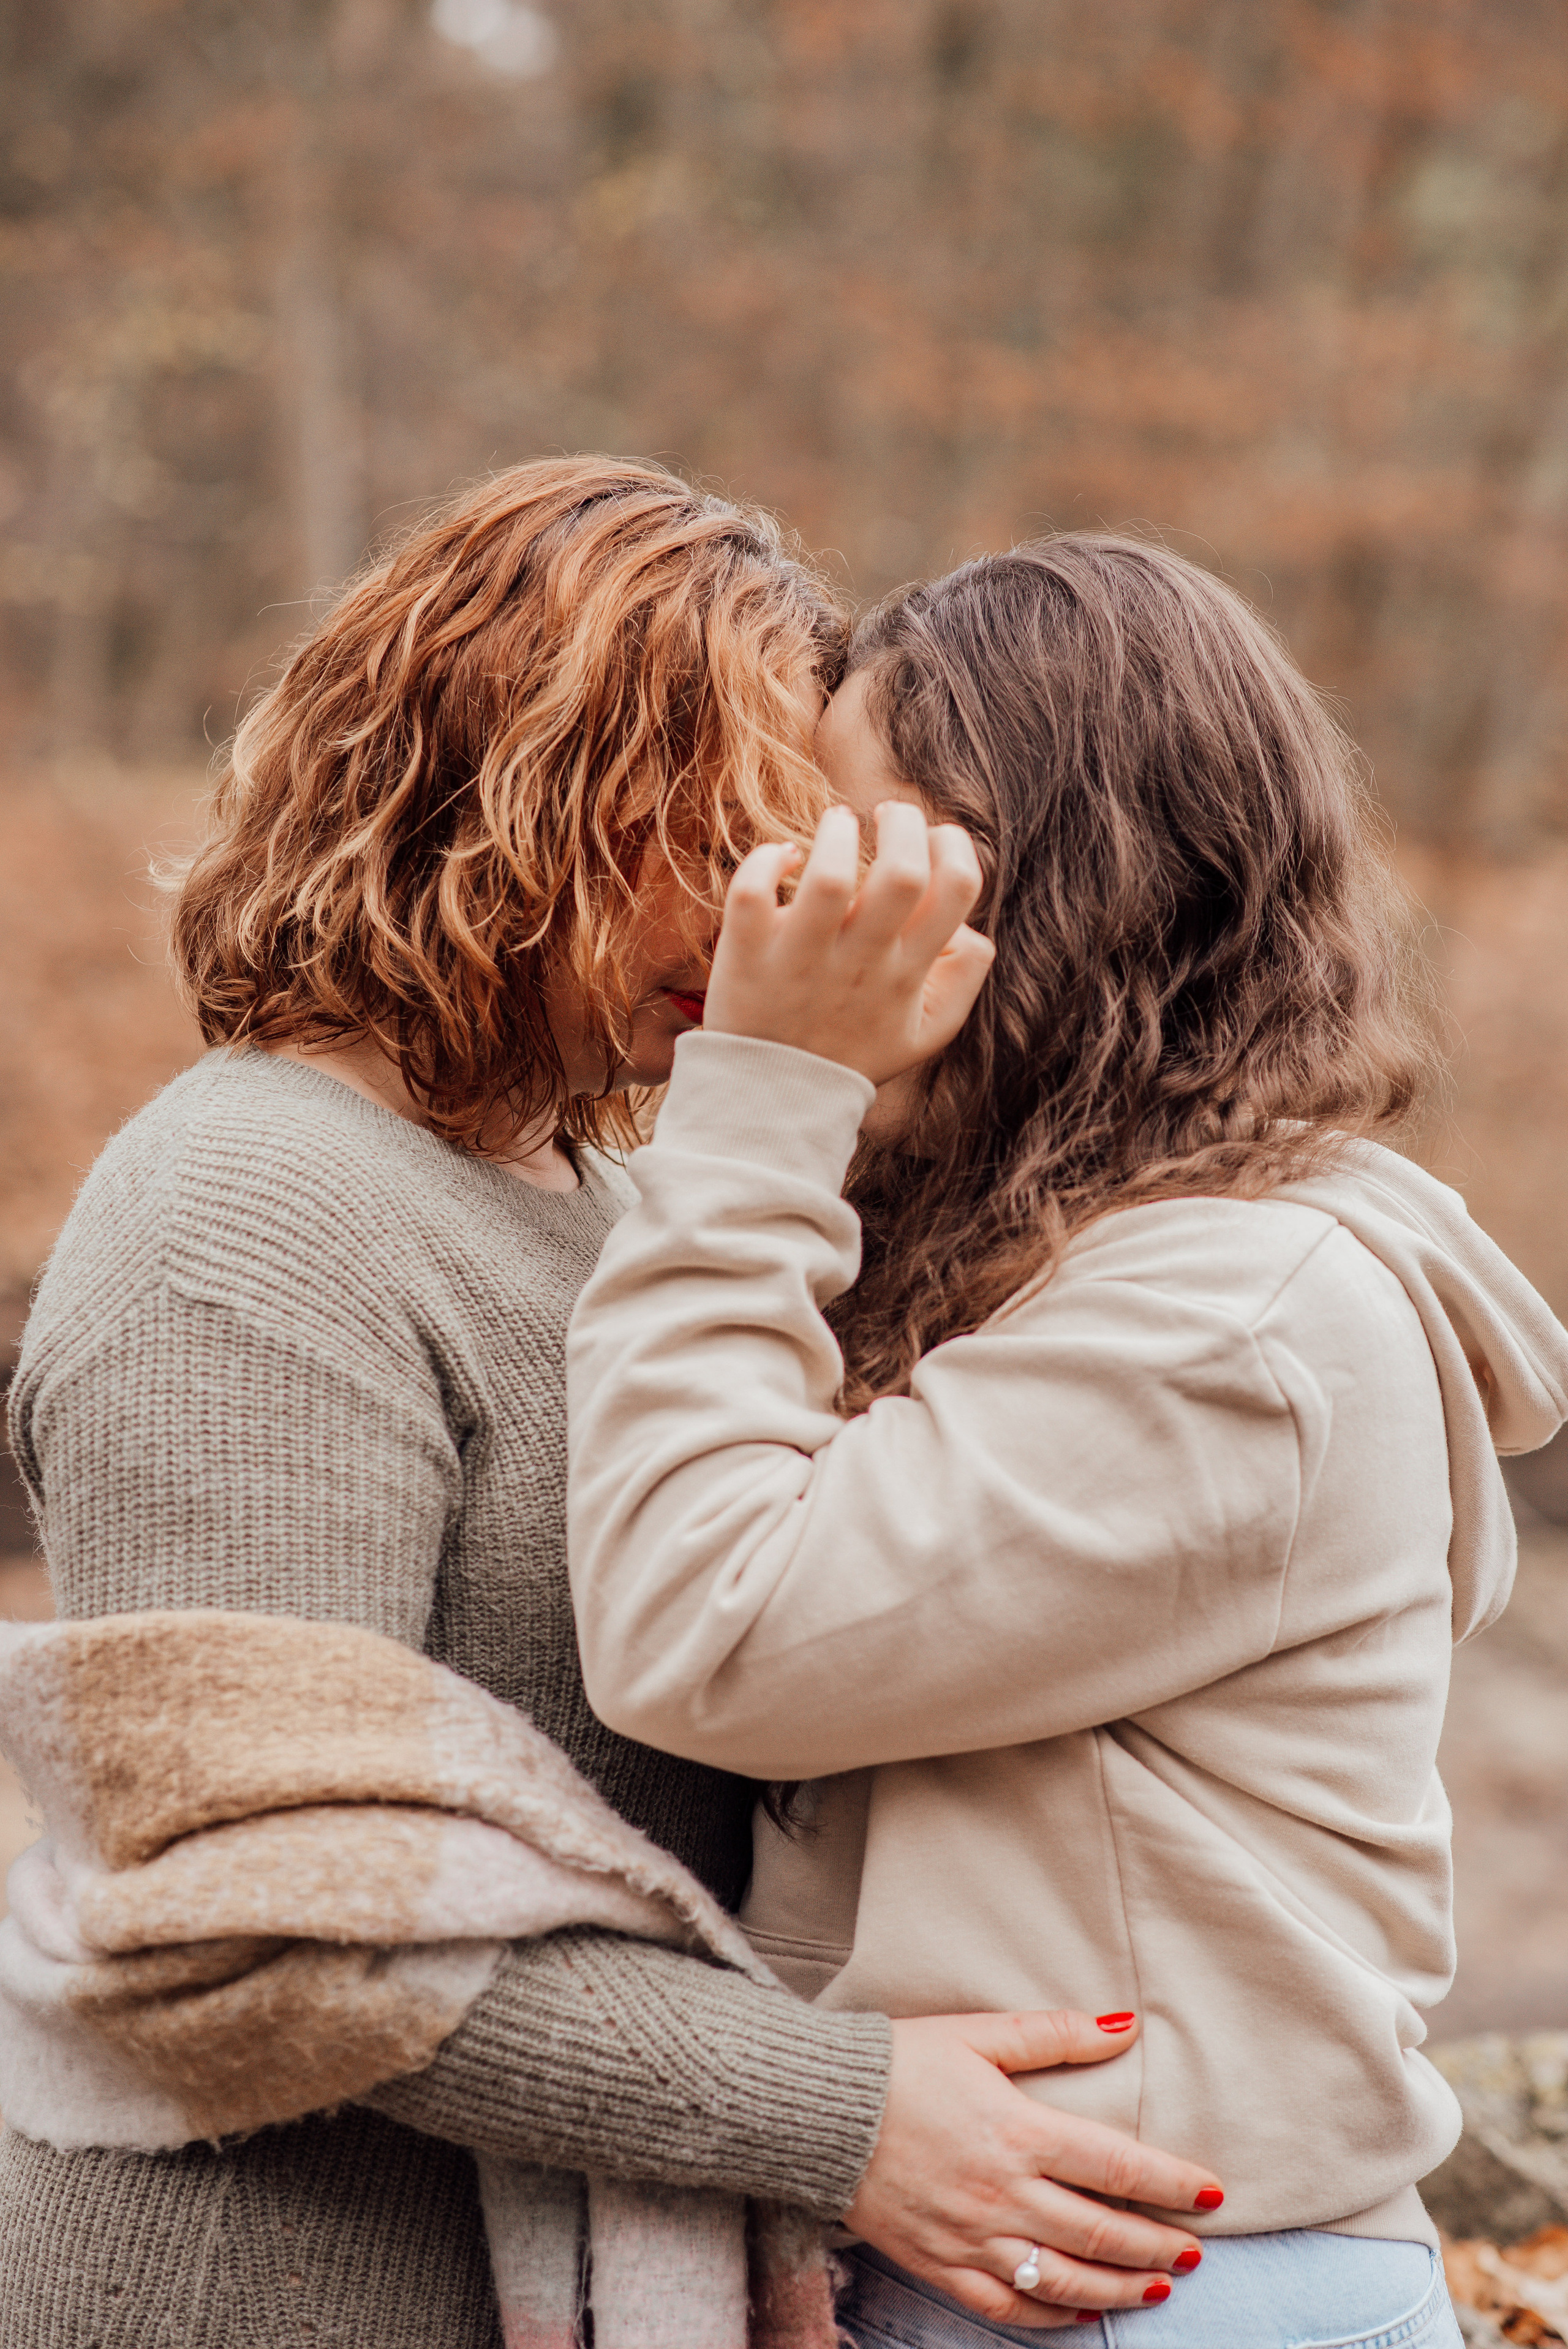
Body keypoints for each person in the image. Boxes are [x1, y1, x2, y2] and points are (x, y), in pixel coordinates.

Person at [0, 475, 1220, 2347]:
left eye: (791, 838)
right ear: (507, 795)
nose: (766, 903)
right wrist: (845, 2116)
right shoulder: (242, 1207)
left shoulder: (630, 1205)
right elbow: (257, 1913)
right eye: (711, 832)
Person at [565, 534, 1568, 2345]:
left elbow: (700, 1618)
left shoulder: (1233, 1322)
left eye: (860, 862)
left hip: (1141, 2295)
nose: (780, 924)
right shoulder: (1093, 1260)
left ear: (1058, 894)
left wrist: (770, 1091)